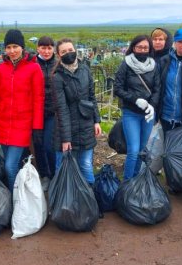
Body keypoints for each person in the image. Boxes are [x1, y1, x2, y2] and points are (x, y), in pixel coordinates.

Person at [0, 29, 44, 191]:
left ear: (22, 47)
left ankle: (15, 200)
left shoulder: (33, 69)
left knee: (10, 166)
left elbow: (38, 99)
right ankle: (20, 197)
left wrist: (37, 127)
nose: (12, 51)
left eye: (15, 46)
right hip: (2, 125)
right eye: (8, 47)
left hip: (22, 126)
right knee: (11, 165)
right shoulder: (1, 69)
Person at [52, 38, 102, 184]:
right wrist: (66, 138)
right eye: (64, 51)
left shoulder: (85, 69)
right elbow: (62, 109)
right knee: (63, 168)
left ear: (75, 50)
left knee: (86, 165)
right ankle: (63, 201)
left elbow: (92, 97)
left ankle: (89, 200)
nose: (68, 53)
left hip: (86, 124)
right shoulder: (58, 77)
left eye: (70, 50)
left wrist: (97, 121)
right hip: (67, 127)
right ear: (58, 55)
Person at [113, 34, 161, 180]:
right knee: (133, 150)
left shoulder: (153, 65)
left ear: (149, 48)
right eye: (139, 47)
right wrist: (135, 99)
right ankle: (127, 183)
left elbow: (158, 88)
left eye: (145, 47)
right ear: (133, 47)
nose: (142, 50)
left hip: (147, 114)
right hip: (131, 113)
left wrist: (152, 105)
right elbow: (118, 88)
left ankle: (136, 180)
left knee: (141, 149)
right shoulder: (126, 64)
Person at [34, 36, 57, 191]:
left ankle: (54, 174)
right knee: (38, 144)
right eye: (43, 47)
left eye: (49, 48)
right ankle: (44, 175)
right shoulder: (32, 64)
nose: (46, 51)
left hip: (52, 111)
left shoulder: (58, 63)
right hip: (36, 111)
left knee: (49, 145)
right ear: (38, 48)